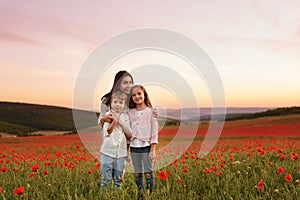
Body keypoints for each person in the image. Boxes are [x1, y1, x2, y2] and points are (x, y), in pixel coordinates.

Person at [128, 85, 158, 194]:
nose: (137, 97)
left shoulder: (151, 112)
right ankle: (140, 195)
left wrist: (153, 149)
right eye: (133, 95)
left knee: (148, 173)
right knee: (137, 173)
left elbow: (154, 132)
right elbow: (128, 131)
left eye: (139, 93)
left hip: (146, 147)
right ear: (131, 98)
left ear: (144, 94)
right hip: (133, 147)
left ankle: (150, 194)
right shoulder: (130, 112)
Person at [100, 91, 131, 188]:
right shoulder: (108, 115)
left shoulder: (126, 117)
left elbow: (129, 134)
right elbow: (107, 132)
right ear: (111, 103)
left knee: (118, 181)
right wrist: (114, 122)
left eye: (120, 103)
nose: (118, 105)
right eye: (115, 102)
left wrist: (120, 122)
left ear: (124, 105)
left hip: (121, 154)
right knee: (106, 182)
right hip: (107, 153)